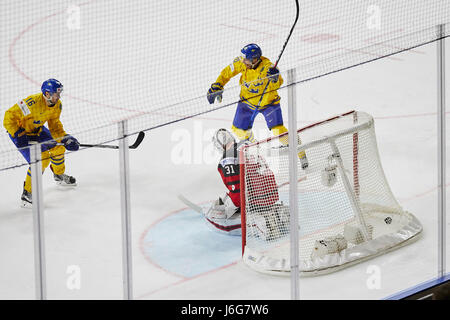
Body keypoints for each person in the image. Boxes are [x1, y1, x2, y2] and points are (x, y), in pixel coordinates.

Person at [206, 43, 308, 169]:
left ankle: (301, 153)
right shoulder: (241, 62)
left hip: (268, 103)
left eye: (246, 59)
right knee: (239, 130)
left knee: (279, 131)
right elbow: (227, 72)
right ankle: (256, 152)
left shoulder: (267, 67)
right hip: (247, 102)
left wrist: (274, 78)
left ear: (255, 59)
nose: (243, 61)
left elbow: (279, 82)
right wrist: (218, 84)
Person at [3, 79, 80, 208]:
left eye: (59, 93)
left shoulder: (57, 105)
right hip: (20, 134)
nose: (58, 96)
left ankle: (59, 175)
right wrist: (19, 134)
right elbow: (8, 117)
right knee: (40, 160)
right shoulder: (31, 103)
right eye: (56, 94)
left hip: (37, 130)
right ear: (47, 94)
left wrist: (65, 138)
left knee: (58, 149)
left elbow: (55, 127)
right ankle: (27, 195)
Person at [206, 128, 286, 239]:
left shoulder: (226, 159)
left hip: (254, 200)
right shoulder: (247, 144)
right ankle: (275, 214)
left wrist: (226, 208)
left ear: (219, 145)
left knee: (218, 215)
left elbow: (238, 193)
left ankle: (258, 222)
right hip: (271, 194)